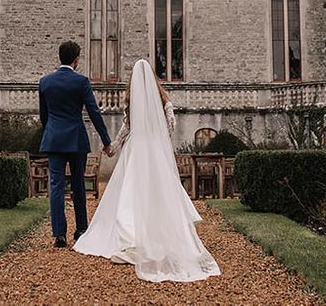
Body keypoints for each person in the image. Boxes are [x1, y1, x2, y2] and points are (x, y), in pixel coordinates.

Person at [74, 59, 221, 283]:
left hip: (136, 148)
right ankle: (160, 234)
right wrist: (159, 139)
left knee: (132, 190)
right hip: (155, 148)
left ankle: (131, 237)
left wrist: (113, 146)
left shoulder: (133, 101)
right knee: (158, 190)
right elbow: (171, 125)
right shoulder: (164, 100)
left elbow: (127, 127)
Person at [38, 41, 113, 248]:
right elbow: (93, 112)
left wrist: (51, 132)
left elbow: (44, 115)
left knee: (56, 185)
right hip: (76, 139)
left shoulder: (45, 82)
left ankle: (59, 235)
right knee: (78, 184)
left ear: (60, 57)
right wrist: (106, 141)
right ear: (76, 60)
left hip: (54, 139)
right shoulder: (81, 81)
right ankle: (81, 230)